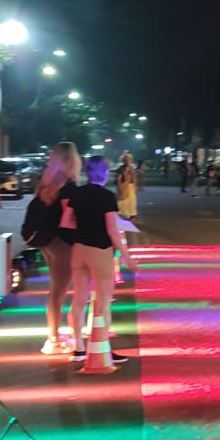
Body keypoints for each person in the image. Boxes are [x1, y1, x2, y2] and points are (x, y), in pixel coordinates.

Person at [67, 155, 136, 364]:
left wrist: (83, 228)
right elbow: (112, 231)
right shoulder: (107, 196)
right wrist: (127, 256)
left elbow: (65, 222)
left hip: (79, 250)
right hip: (100, 251)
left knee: (79, 299)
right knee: (103, 302)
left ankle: (78, 346)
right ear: (105, 172)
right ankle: (101, 345)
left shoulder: (76, 194)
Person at [26, 142, 83, 354]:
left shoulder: (46, 184)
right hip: (63, 243)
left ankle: (54, 334)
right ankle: (53, 338)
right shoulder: (69, 187)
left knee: (55, 290)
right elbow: (70, 221)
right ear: (72, 161)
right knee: (58, 292)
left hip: (46, 242)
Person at [116, 153, 139, 221]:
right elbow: (118, 178)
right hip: (124, 186)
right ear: (124, 160)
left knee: (132, 201)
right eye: (126, 160)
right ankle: (122, 215)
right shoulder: (121, 168)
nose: (127, 161)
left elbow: (134, 178)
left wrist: (135, 187)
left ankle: (132, 215)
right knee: (123, 202)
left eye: (129, 160)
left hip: (131, 187)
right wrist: (120, 187)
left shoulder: (131, 168)